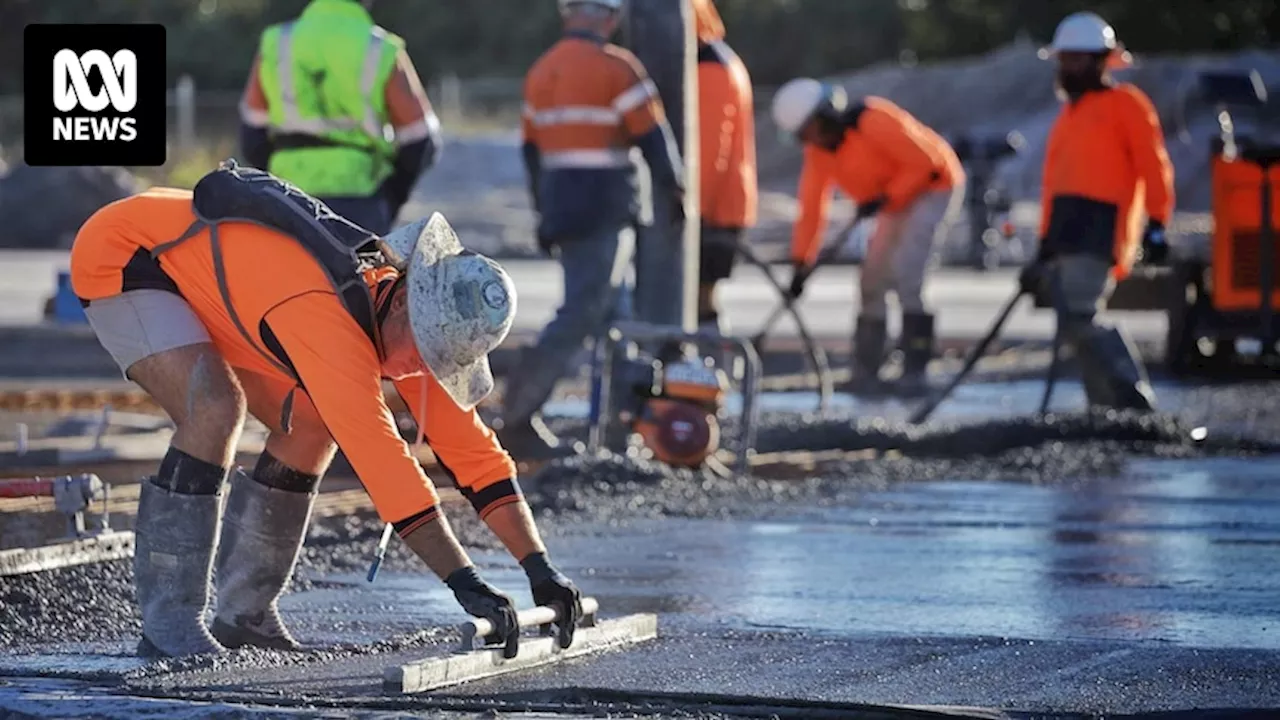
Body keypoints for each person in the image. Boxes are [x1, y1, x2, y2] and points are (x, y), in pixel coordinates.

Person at [69, 164, 582, 659]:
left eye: (439, 359)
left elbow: (478, 459)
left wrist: (540, 570)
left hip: (225, 284)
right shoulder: (329, 321)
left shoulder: (423, 330)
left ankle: (245, 617)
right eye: (424, 351)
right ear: (403, 304)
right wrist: (466, 583)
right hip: (134, 255)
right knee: (215, 409)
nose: (421, 368)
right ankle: (170, 626)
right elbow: (386, 467)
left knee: (314, 423)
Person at [499, 0, 685, 458]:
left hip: (565, 211)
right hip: (607, 209)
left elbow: (532, 155)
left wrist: (545, 214)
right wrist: (676, 189)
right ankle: (519, 415)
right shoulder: (617, 69)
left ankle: (620, 425)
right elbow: (652, 137)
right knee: (583, 312)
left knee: (615, 316)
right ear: (609, 16)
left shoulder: (542, 72)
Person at [771, 79, 965, 396]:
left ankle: (915, 372)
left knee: (907, 272)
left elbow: (925, 163)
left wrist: (886, 196)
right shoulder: (820, 154)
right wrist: (801, 263)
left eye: (810, 132)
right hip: (893, 199)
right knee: (871, 280)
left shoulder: (873, 120)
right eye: (803, 137)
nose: (810, 141)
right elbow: (811, 210)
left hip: (934, 187)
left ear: (825, 117)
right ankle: (866, 370)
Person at [1023, 11, 1173, 411]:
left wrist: (1157, 223)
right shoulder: (1068, 117)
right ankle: (1105, 407)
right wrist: (1044, 242)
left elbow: (1153, 165)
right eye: (1064, 59)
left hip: (1101, 227)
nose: (1068, 67)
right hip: (1066, 230)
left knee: (1080, 315)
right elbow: (1054, 187)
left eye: (1076, 59)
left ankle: (1132, 400)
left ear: (1101, 60)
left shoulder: (1126, 104)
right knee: (1071, 322)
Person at [238, 0, 441, 234]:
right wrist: (391, 197)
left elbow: (252, 136)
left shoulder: (276, 42)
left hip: (285, 202)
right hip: (360, 200)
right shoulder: (381, 48)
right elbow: (421, 140)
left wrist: (276, 183)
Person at [692, 0, 757, 334]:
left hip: (715, 205)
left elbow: (708, 148)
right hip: (723, 200)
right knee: (700, 294)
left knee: (699, 295)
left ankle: (707, 369)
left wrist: (694, 209)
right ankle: (707, 369)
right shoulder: (723, 60)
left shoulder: (710, 68)